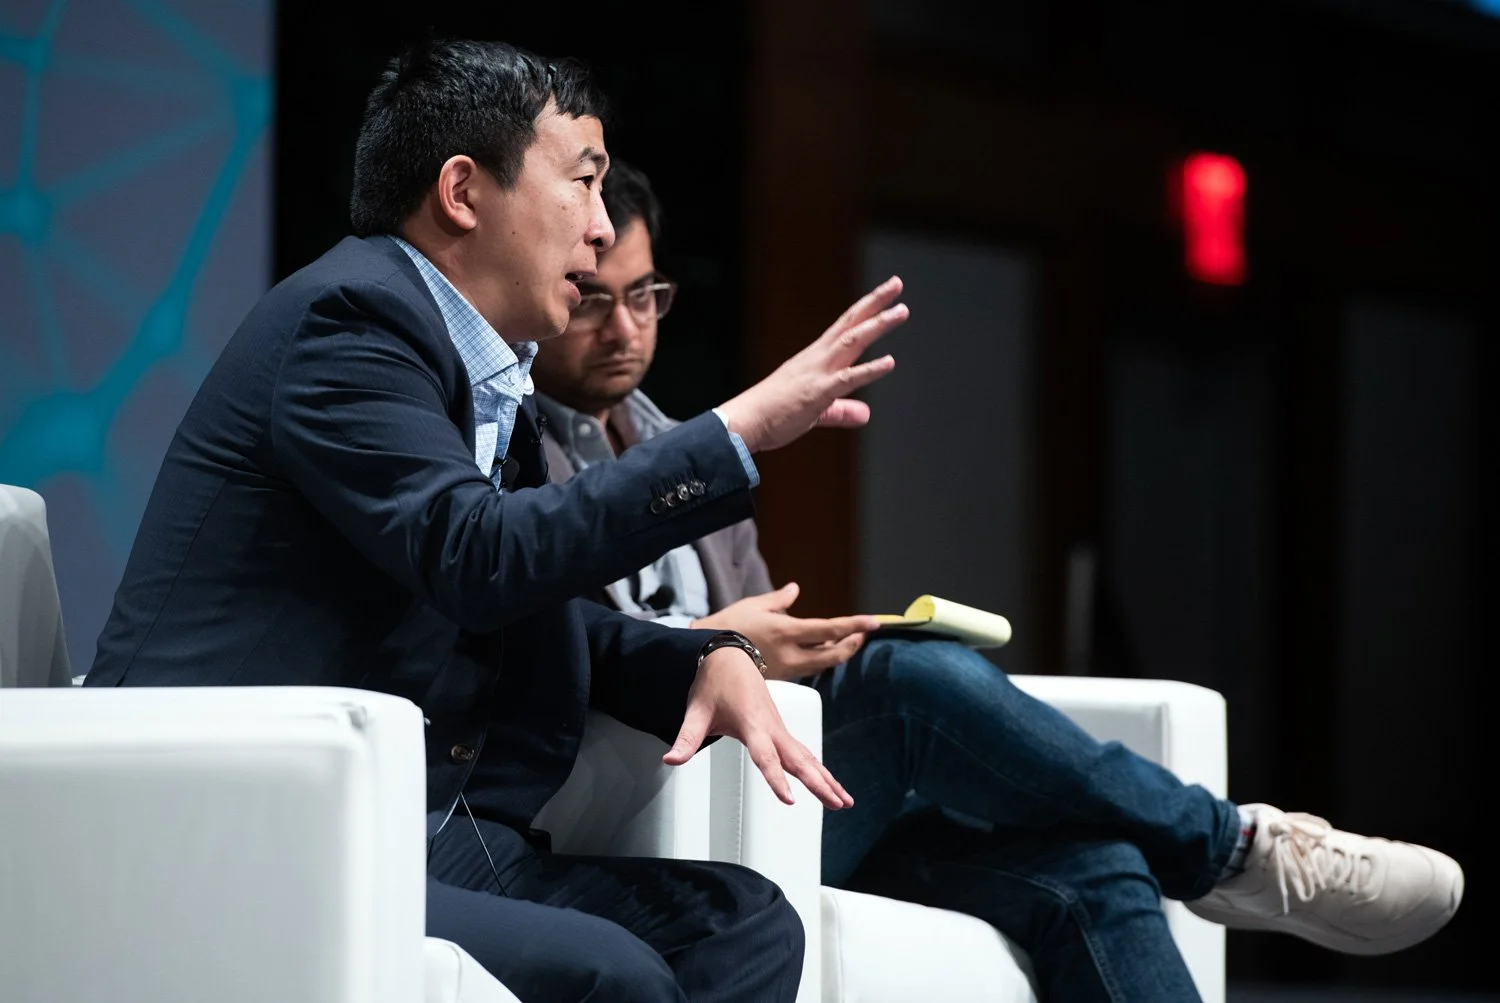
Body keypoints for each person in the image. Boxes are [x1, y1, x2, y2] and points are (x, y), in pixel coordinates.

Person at [85, 38, 914, 1003]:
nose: (603, 230)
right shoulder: (349, 324)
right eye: (583, 183)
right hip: (246, 826)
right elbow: (479, 558)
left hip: (425, 827)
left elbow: (535, 614)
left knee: (742, 927)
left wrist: (702, 655)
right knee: (618, 975)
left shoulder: (482, 369)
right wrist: (734, 430)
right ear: (464, 192)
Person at [529, 158, 1466, 1003]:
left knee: (1096, 871)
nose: (625, 326)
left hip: (778, 775)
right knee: (904, 685)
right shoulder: (521, 452)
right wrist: (715, 646)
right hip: (668, 796)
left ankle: (1226, 850)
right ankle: (1234, 848)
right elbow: (552, 650)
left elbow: (753, 616)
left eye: (646, 294)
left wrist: (785, 644)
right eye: (596, 301)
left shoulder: (682, 444)